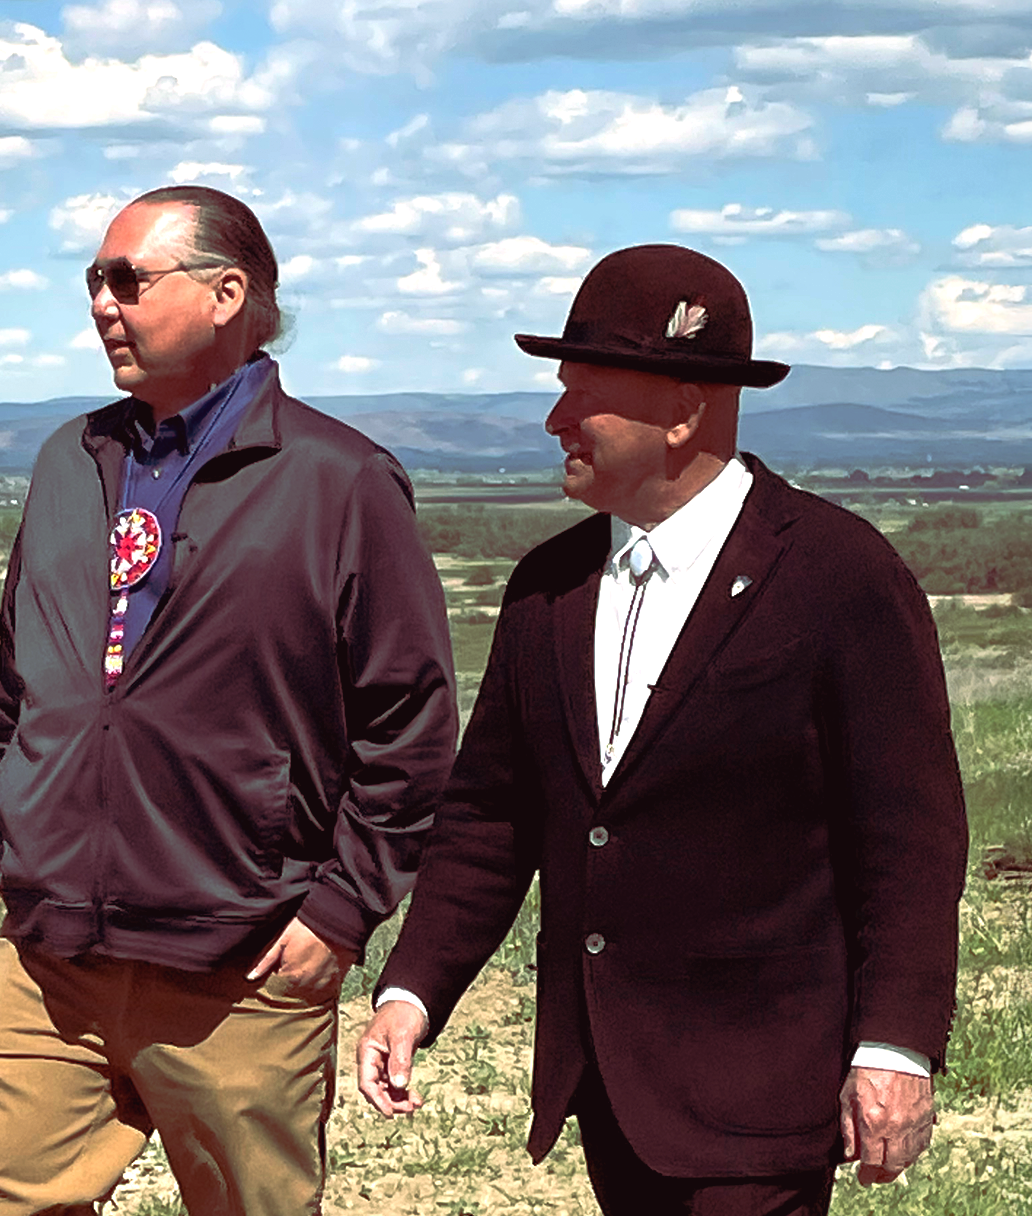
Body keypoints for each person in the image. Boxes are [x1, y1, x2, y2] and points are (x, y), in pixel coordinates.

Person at [356, 244, 968, 1215]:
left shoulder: (835, 574)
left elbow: (909, 838)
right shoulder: (545, 590)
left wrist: (892, 1046)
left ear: (682, 409)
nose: (554, 418)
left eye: (583, 393)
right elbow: (487, 820)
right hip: (607, 1088)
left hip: (762, 1093)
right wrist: (413, 991)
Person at [0, 184, 458, 1216]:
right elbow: (23, 674)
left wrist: (343, 907)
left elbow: (408, 724)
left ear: (226, 294)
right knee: (1, 1191)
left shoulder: (337, 479)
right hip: (52, 949)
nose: (102, 303)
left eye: (127, 279)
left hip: (238, 952)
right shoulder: (70, 461)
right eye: (94, 280)